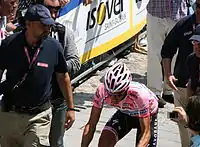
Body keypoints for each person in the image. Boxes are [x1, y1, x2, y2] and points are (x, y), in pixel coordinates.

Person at [0, 4, 75, 147]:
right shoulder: (9, 44)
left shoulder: (54, 46)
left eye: (49, 25)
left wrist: (71, 108)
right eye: (43, 25)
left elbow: (63, 77)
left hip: (39, 116)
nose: (48, 28)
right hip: (10, 114)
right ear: (28, 24)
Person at [161, 0, 200, 146]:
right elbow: (167, 49)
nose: (197, 47)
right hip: (190, 94)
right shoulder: (192, 58)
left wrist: (193, 116)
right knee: (187, 137)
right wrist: (168, 75)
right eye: (197, 6)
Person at [81, 63, 159, 147]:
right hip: (125, 112)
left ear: (126, 89)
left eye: (118, 95)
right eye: (110, 94)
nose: (114, 99)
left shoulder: (139, 95)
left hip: (148, 114)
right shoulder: (102, 91)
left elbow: (146, 133)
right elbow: (91, 124)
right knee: (104, 142)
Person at [36, 0, 80, 146]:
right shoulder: (26, 33)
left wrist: (55, 66)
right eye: (50, 10)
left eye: (57, 10)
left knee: (56, 142)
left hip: (57, 100)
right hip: (32, 103)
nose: (53, 15)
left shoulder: (63, 33)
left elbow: (75, 62)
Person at [146, 0, 195, 107]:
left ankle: (169, 90)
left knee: (175, 54)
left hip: (178, 14)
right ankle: (154, 92)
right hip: (156, 12)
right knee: (154, 55)